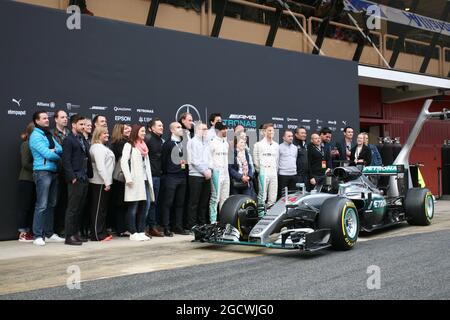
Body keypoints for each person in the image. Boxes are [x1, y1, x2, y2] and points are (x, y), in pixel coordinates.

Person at [29, 111, 64, 246]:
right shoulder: (35, 136)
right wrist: (55, 154)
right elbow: (47, 155)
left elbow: (60, 148)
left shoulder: (48, 134)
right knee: (42, 205)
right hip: (42, 172)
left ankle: (49, 234)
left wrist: (54, 151)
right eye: (44, 118)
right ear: (37, 121)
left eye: (47, 118)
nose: (47, 120)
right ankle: (38, 235)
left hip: (53, 172)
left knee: (51, 204)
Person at [62, 115, 93, 246]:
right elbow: (66, 160)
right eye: (81, 124)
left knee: (80, 208)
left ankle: (75, 234)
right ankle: (69, 236)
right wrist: (72, 177)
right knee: (73, 208)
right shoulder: (69, 140)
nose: (84, 127)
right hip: (75, 178)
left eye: (85, 124)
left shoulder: (81, 139)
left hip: (84, 177)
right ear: (73, 125)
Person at [121, 125, 155, 241]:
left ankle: (141, 231)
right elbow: (124, 162)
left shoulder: (144, 146)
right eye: (142, 131)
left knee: (144, 207)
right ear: (136, 132)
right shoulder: (129, 145)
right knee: (133, 207)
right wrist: (128, 178)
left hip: (145, 180)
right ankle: (132, 232)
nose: (144, 133)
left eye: (144, 131)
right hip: (134, 181)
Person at [161, 122, 189, 236]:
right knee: (168, 203)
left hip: (182, 176)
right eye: (178, 127)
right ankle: (166, 227)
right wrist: (167, 172)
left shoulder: (183, 143)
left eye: (181, 127)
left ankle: (178, 226)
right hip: (171, 176)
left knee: (180, 203)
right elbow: (163, 161)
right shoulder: (167, 144)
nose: (180, 129)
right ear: (172, 130)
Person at [89, 126, 115, 241]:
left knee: (102, 209)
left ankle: (101, 232)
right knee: (98, 209)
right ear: (98, 134)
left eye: (107, 133)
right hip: (100, 182)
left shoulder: (101, 147)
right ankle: (96, 235)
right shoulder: (98, 148)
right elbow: (100, 167)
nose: (107, 135)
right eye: (104, 133)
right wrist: (106, 182)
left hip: (103, 182)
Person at [187, 122, 212, 229]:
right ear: (197, 130)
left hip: (207, 175)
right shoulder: (192, 142)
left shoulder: (207, 142)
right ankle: (192, 225)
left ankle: (202, 224)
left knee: (204, 202)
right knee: (194, 202)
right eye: (203, 129)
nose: (206, 131)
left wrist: (210, 169)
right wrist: (204, 171)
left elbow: (211, 158)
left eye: (206, 129)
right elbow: (193, 160)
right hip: (196, 175)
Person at [144, 118, 164, 237]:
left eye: (162, 125)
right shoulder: (148, 139)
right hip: (149, 176)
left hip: (157, 176)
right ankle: (144, 228)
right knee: (147, 203)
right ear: (151, 128)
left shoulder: (160, 140)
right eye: (159, 125)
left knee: (154, 203)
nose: (162, 127)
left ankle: (152, 227)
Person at [111, 123, 132, 237]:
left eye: (129, 128)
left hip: (122, 177)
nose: (129, 129)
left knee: (123, 204)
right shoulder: (120, 143)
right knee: (120, 204)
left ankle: (122, 228)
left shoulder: (125, 142)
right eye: (126, 128)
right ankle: (121, 229)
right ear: (120, 131)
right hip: (120, 177)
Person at [253, 123, 279, 213]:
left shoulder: (276, 145)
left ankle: (270, 215)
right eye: (269, 130)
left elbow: (277, 160)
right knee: (262, 195)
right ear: (264, 132)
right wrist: (261, 171)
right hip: (263, 172)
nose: (271, 132)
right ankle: (261, 216)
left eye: (273, 130)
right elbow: (255, 161)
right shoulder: (258, 145)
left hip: (273, 172)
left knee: (273, 196)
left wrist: (274, 170)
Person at [17, 122, 36, 242]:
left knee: (33, 206)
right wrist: (40, 165)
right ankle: (22, 233)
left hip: (35, 180)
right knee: (24, 207)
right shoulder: (26, 145)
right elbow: (25, 164)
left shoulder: (36, 145)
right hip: (26, 180)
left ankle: (29, 232)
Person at [209, 122, 230, 223]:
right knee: (215, 199)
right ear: (218, 130)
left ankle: (223, 221)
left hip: (226, 174)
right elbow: (209, 159)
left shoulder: (226, 143)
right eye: (223, 129)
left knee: (225, 200)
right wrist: (213, 170)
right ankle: (213, 221)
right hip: (216, 174)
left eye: (226, 129)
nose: (225, 131)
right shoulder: (212, 143)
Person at [52, 110, 69, 236]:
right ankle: (53, 230)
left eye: (66, 117)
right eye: (62, 117)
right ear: (56, 119)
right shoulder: (51, 134)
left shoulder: (69, 133)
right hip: (56, 171)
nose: (65, 119)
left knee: (66, 202)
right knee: (54, 202)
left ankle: (64, 228)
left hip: (68, 172)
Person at [278, 130, 298, 198]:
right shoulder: (279, 147)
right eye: (289, 136)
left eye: (292, 136)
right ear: (283, 137)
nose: (291, 138)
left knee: (292, 196)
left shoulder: (295, 148)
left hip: (293, 174)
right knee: (282, 196)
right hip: (283, 175)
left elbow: (295, 159)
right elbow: (277, 161)